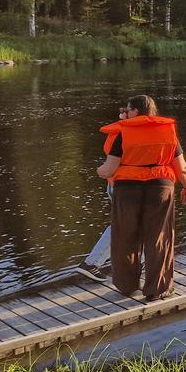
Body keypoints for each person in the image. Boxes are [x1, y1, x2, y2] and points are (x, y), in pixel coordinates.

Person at [96, 95, 186, 301]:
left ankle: (127, 286)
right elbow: (181, 168)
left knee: (125, 238)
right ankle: (157, 289)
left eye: (128, 110)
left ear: (136, 112)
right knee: (159, 238)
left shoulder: (123, 133)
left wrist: (99, 171)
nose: (125, 113)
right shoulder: (168, 132)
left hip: (127, 190)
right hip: (160, 189)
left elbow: (109, 169)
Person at [75, 106, 127, 283]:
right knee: (122, 226)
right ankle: (91, 263)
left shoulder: (118, 132)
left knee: (129, 225)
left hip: (116, 186)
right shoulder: (124, 134)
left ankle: (138, 262)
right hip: (122, 187)